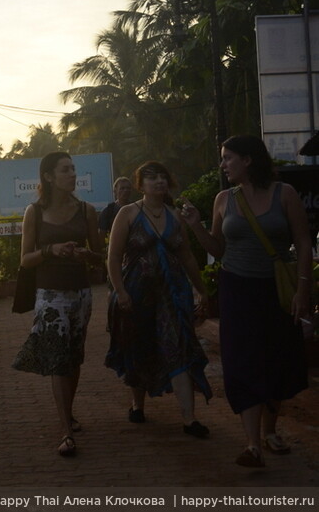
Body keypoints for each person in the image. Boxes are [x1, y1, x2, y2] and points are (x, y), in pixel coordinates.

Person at [181, 135, 310, 468]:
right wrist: (196, 227)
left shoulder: (286, 194)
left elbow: (304, 244)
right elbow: (219, 250)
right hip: (237, 291)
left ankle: (270, 431)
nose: (223, 165)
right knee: (242, 363)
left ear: (248, 159)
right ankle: (252, 444)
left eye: (228, 158)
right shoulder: (224, 199)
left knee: (277, 360)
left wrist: (303, 289)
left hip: (276, 291)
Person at [105, 161, 212, 437]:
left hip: (172, 294)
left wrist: (201, 289)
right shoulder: (128, 214)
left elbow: (186, 255)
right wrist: (120, 291)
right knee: (139, 348)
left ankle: (189, 420)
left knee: (178, 347)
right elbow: (114, 257)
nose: (159, 182)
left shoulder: (175, 215)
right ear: (141, 185)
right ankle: (136, 405)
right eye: (152, 178)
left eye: (163, 177)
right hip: (136, 294)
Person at [12, 151, 104, 457]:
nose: (73, 174)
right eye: (65, 170)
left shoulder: (86, 210)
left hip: (80, 293)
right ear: (48, 177)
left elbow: (98, 255)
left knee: (73, 357)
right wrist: (51, 250)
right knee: (57, 359)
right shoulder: (34, 212)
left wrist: (83, 255)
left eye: (74, 169)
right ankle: (66, 431)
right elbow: (25, 260)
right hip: (50, 294)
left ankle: (70, 412)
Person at [99, 176, 133, 241]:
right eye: (122, 188)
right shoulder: (108, 211)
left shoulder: (137, 208)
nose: (125, 190)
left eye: (128, 188)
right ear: (115, 190)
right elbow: (102, 235)